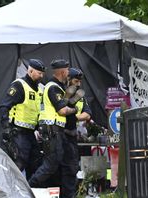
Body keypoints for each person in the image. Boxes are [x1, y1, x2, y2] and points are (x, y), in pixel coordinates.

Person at [28, 59, 79, 189]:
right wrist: (75, 110)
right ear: (62, 72)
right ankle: (28, 187)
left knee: (58, 165)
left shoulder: (60, 88)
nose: (68, 73)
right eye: (67, 71)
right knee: (50, 165)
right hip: (52, 131)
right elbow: (62, 111)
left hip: (56, 131)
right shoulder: (53, 87)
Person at [0, 58, 46, 179]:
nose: (41, 76)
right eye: (39, 73)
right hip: (18, 132)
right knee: (19, 164)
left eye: (42, 73)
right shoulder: (19, 85)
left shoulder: (40, 89)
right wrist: (6, 128)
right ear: (30, 71)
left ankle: (31, 191)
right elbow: (4, 106)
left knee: (35, 163)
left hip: (31, 133)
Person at [61, 67, 91, 198]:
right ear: (68, 80)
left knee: (72, 168)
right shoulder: (60, 92)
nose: (78, 84)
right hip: (59, 134)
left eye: (80, 82)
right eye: (75, 81)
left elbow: (88, 114)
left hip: (72, 135)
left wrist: (75, 117)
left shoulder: (80, 96)